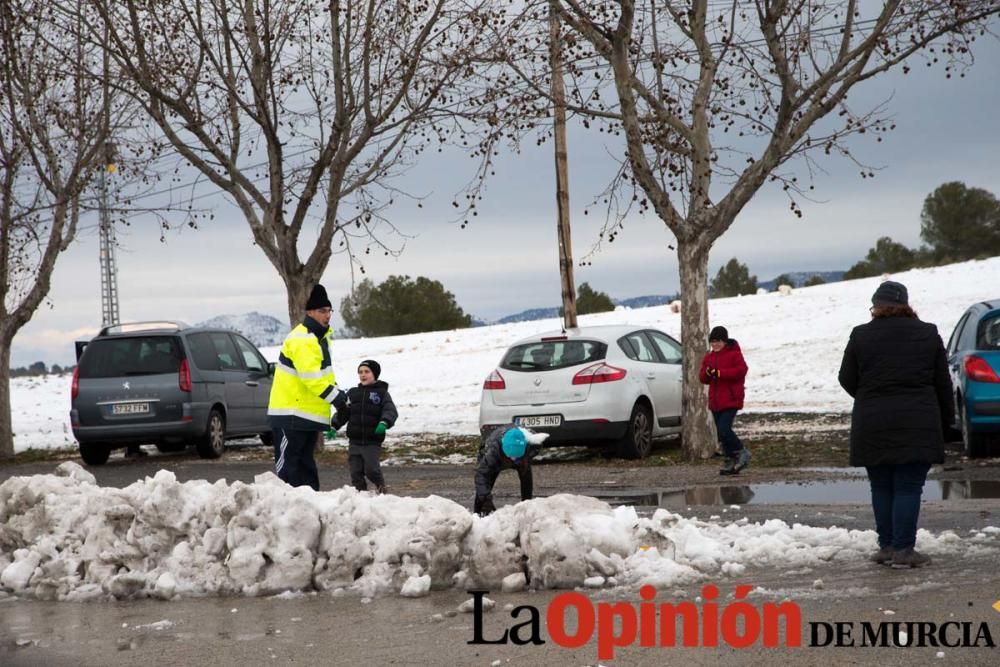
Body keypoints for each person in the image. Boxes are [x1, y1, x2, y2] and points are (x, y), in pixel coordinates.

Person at [838, 280, 953, 568]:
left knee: (881, 486)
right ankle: (904, 550)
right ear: (906, 305)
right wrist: (947, 423)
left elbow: (846, 378)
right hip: (918, 420)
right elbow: (943, 383)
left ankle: (887, 546)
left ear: (876, 306)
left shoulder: (861, 335)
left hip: (872, 421)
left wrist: (869, 397)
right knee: (908, 486)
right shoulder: (927, 333)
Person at [267, 284, 347, 491]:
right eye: (322, 311)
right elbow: (311, 378)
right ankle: (284, 513)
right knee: (288, 471)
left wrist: (340, 398)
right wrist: (338, 399)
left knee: (305, 467)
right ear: (309, 312)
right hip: (291, 414)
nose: (327, 315)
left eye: (329, 310)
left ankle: (309, 511)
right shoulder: (302, 339)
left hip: (306, 416)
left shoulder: (321, 338)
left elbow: (324, 376)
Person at [330, 359, 398, 494]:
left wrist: (384, 422)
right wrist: (334, 425)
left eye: (367, 372)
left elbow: (390, 410)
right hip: (354, 441)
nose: (363, 375)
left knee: (371, 470)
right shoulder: (353, 393)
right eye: (360, 372)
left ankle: (381, 489)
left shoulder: (381, 393)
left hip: (372, 440)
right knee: (355, 472)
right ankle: (361, 495)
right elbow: (344, 412)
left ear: (375, 374)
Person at [699, 325, 750, 475]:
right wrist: (708, 373)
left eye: (718, 341)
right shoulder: (709, 357)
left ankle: (741, 452)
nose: (715, 344)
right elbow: (702, 378)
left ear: (725, 341)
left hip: (731, 399)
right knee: (721, 434)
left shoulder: (734, 354)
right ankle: (731, 461)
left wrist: (720, 373)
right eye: (713, 341)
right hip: (716, 402)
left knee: (724, 429)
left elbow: (741, 371)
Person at [474, 425, 547, 515]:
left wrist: (524, 460)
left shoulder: (532, 445)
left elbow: (526, 456)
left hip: (522, 457)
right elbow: (481, 476)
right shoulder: (493, 452)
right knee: (485, 484)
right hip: (498, 458)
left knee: (526, 474)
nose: (514, 460)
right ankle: (477, 514)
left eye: (516, 458)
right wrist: (485, 499)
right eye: (511, 457)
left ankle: (526, 509)